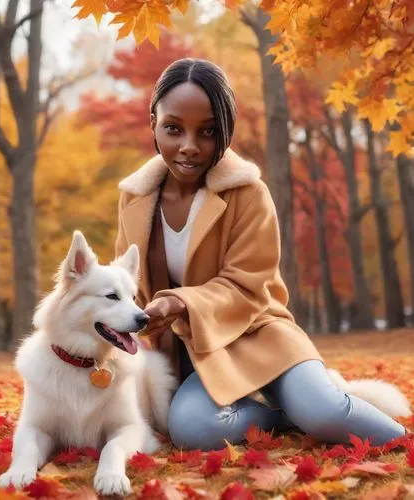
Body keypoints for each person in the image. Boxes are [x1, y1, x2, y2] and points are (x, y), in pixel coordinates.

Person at [115, 58, 407, 451]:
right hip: (199, 352)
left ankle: (373, 428)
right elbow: (126, 280)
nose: (188, 146)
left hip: (260, 334)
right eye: (173, 128)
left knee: (324, 413)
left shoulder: (249, 194)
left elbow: (247, 285)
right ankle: (285, 415)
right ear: (153, 122)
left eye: (207, 132)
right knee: (191, 429)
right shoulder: (135, 198)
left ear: (226, 133)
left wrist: (179, 302)